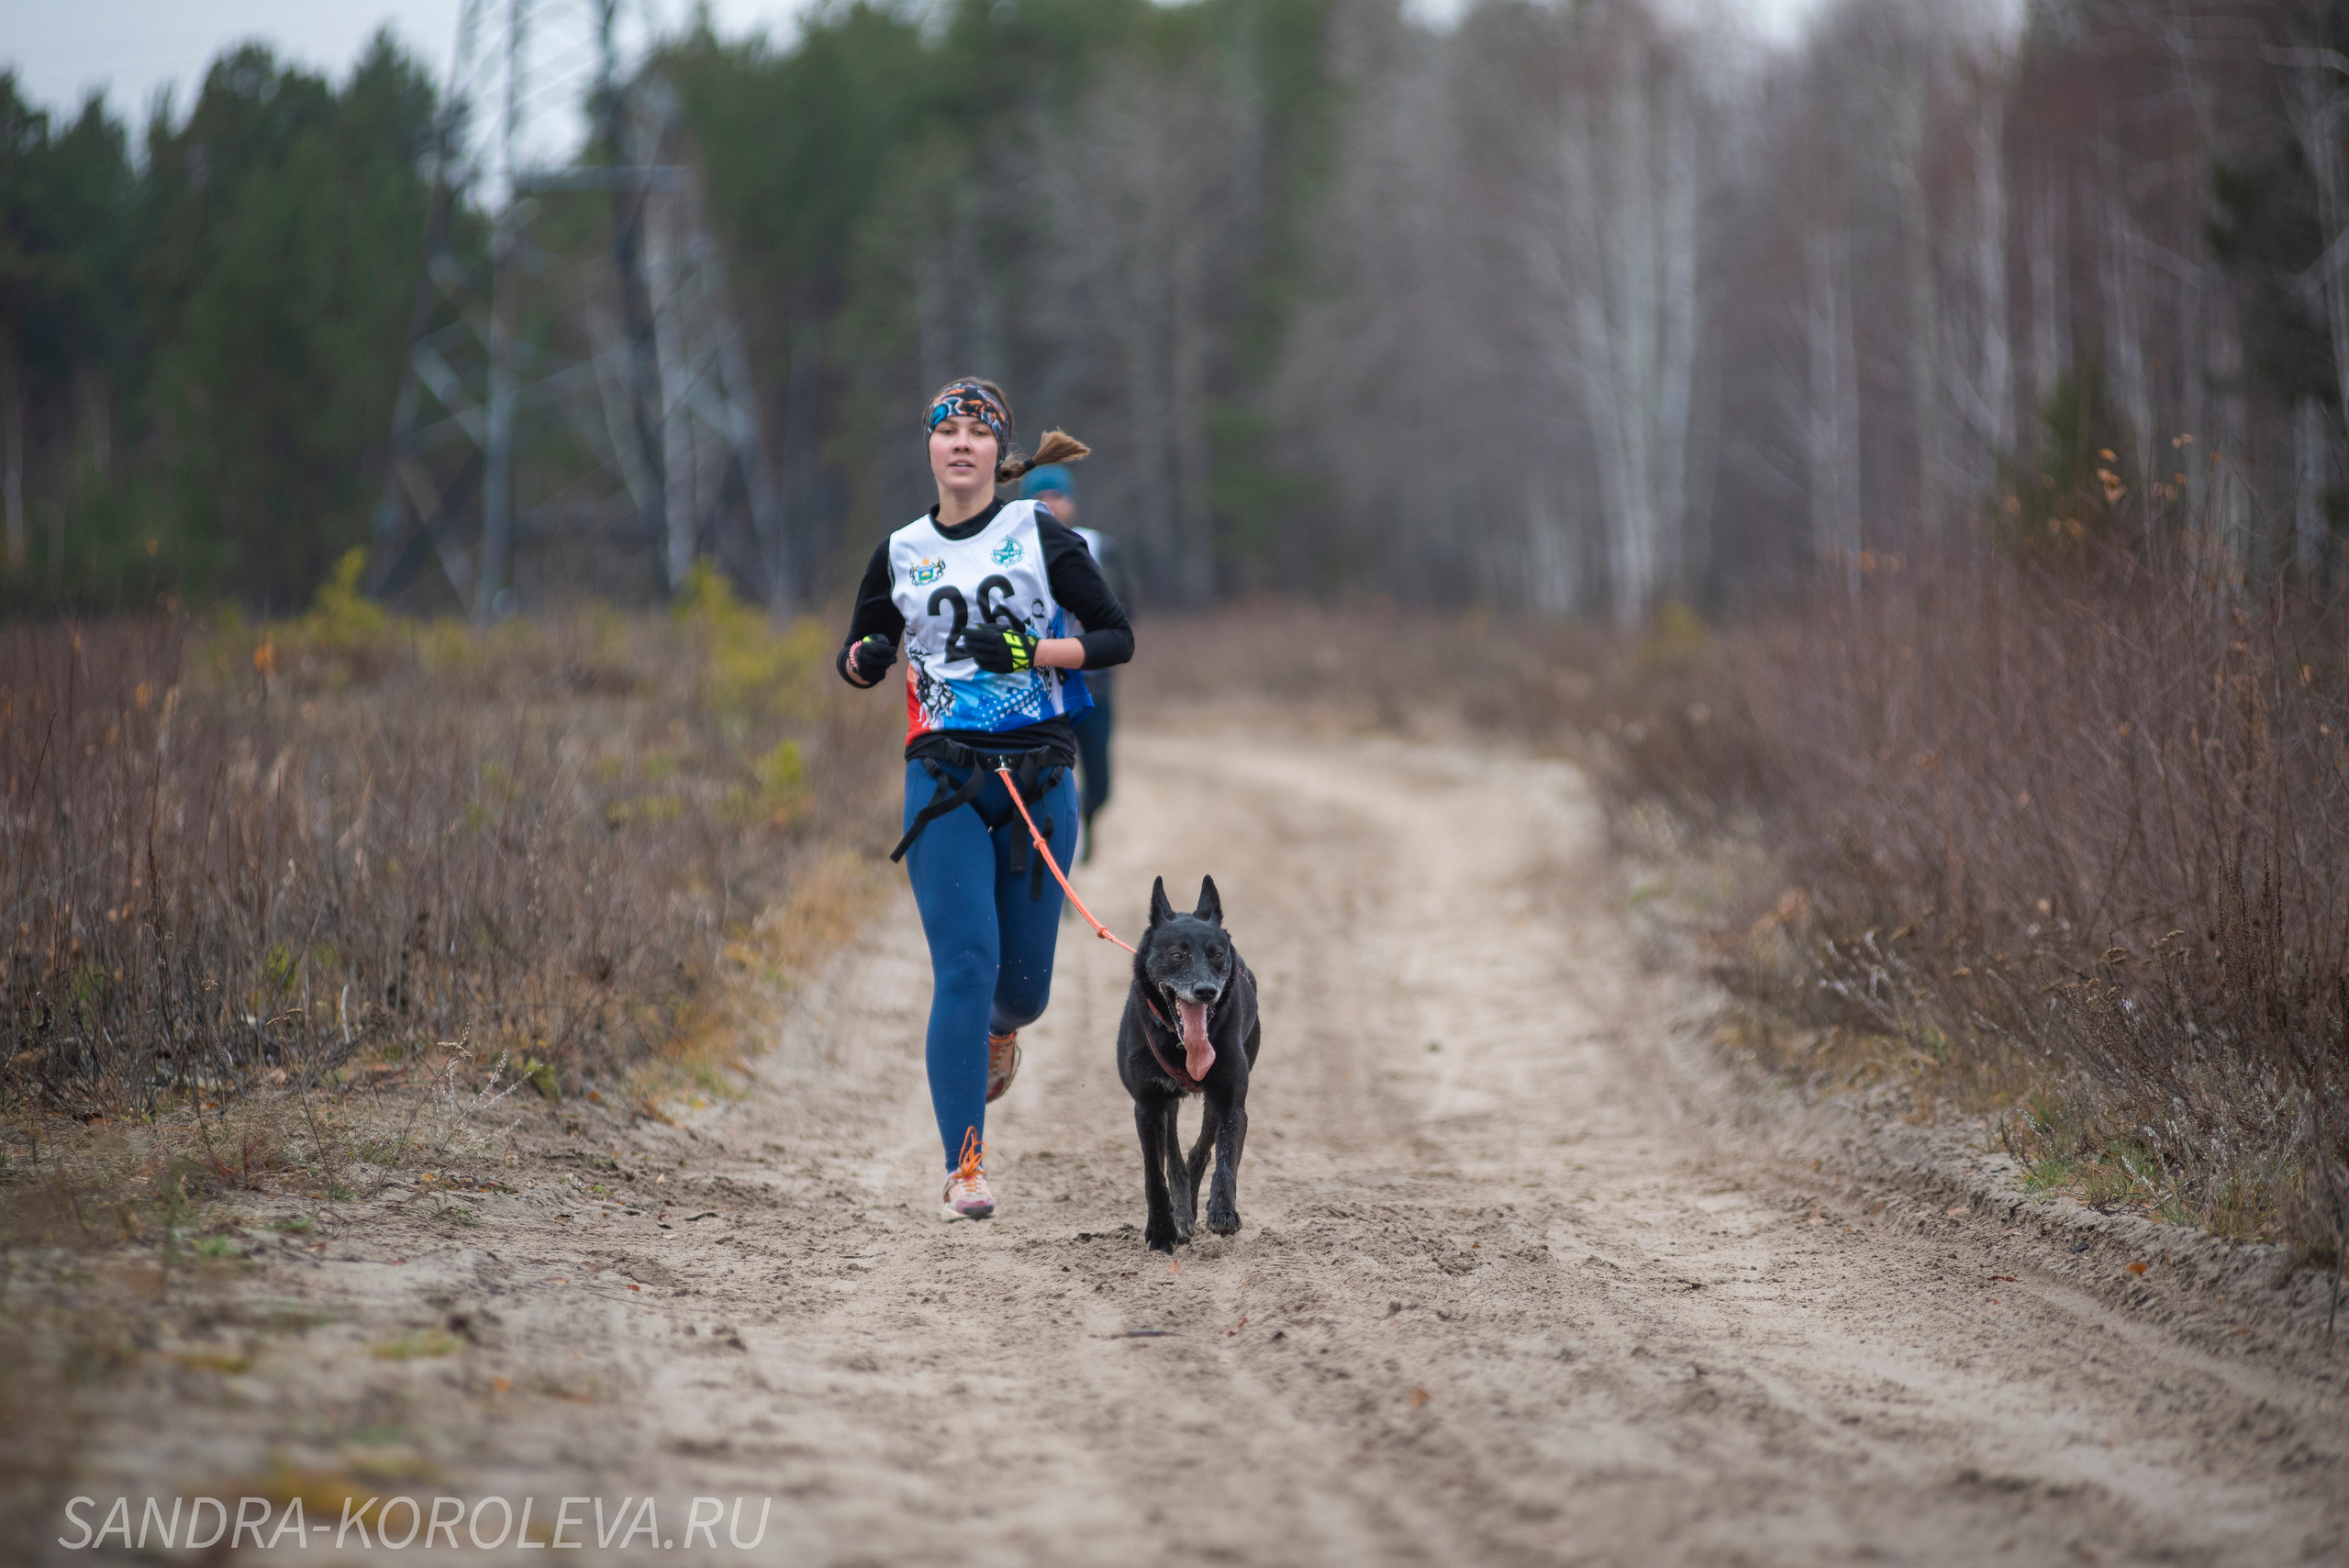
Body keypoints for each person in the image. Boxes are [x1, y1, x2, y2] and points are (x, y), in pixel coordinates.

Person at [835, 379, 1133, 1221]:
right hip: (943, 778)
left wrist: (1032, 648)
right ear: (929, 447)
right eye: (946, 430)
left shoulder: (1037, 534)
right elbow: (868, 645)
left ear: (995, 456)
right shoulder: (898, 550)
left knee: (1025, 990)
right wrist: (862, 659)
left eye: (976, 432)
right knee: (963, 965)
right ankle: (964, 1165)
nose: (960, 443)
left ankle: (1003, 1033)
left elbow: (1117, 637)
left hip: (1039, 775)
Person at [1019, 462, 1132, 861]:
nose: (1050, 504)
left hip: (1094, 687)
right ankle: (1054, 860)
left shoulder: (1100, 548)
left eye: (1057, 496)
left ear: (1072, 502)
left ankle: (1083, 820)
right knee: (1047, 786)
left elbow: (1124, 616)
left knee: (1100, 786)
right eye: (1040, 497)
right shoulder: (1009, 555)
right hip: (1040, 696)